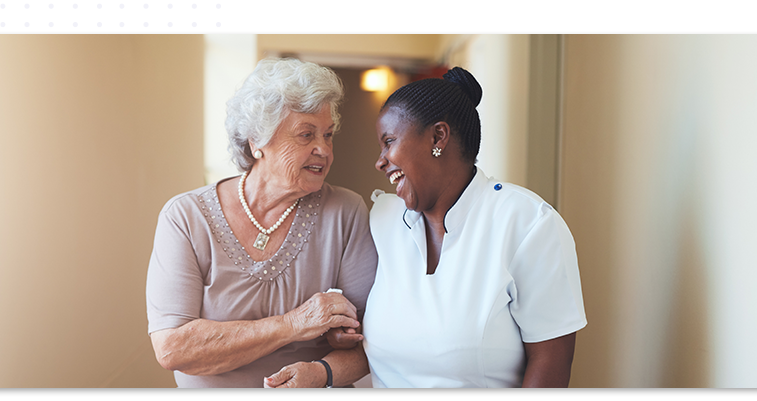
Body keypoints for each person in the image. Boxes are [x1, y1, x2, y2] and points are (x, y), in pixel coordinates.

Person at [145, 58, 377, 388]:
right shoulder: (185, 217)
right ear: (257, 142)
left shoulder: (345, 212)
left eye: (328, 135)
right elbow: (172, 348)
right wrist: (293, 325)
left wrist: (321, 373)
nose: (323, 150)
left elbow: (372, 341)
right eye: (306, 135)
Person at [360, 66, 587, 387]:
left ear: (438, 136)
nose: (380, 160)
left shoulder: (528, 223)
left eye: (389, 141)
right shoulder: (382, 218)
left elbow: (551, 362)